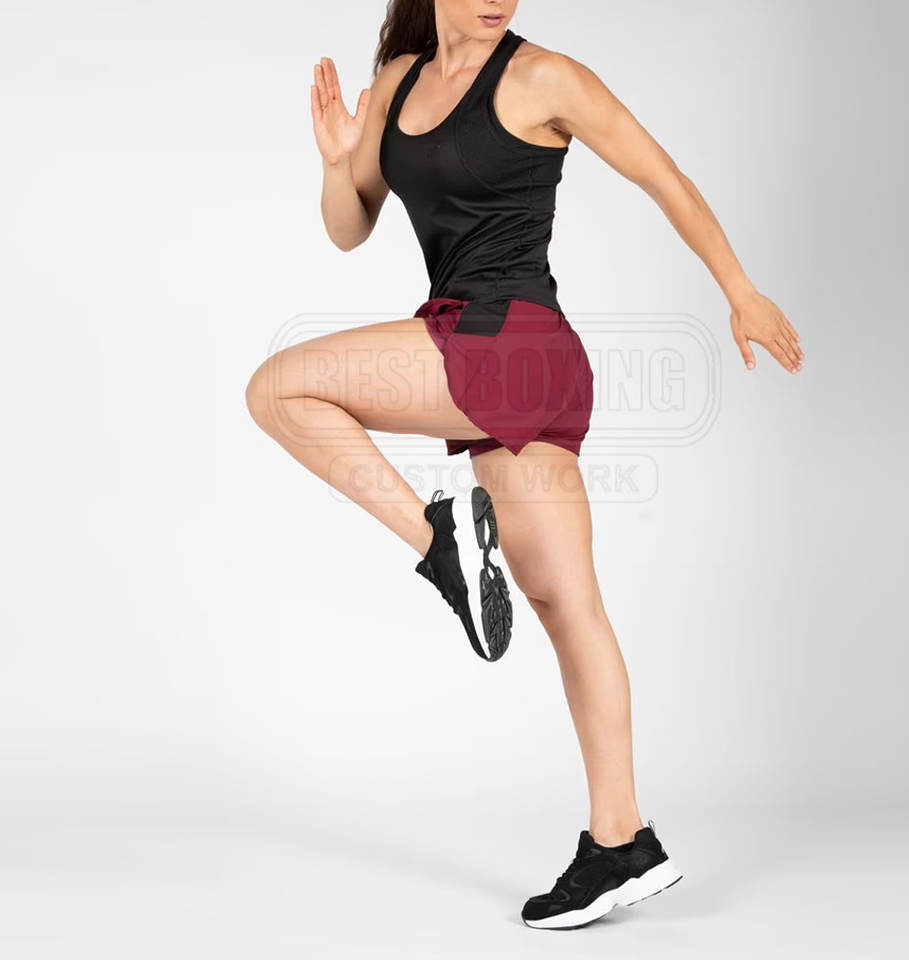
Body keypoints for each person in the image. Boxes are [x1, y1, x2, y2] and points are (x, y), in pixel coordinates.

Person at [245, 0, 802, 930]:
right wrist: (341, 162)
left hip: (512, 343)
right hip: (507, 361)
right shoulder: (399, 83)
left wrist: (740, 290)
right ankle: (621, 839)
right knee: (565, 604)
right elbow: (349, 229)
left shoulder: (545, 77)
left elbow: (660, 173)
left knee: (278, 389)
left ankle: (440, 545)